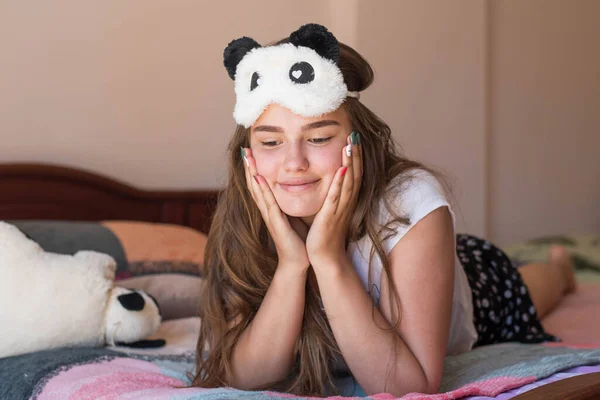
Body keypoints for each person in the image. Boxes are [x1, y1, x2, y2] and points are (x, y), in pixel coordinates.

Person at [192, 23, 576, 397]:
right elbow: (243, 378)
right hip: (418, 257)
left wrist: (328, 259)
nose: (294, 162)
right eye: (271, 142)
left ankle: (560, 269)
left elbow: (409, 385)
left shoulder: (410, 202)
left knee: (533, 291)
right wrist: (293, 264)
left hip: (472, 276)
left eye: (319, 137)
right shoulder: (245, 210)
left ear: (357, 141)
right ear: (249, 155)